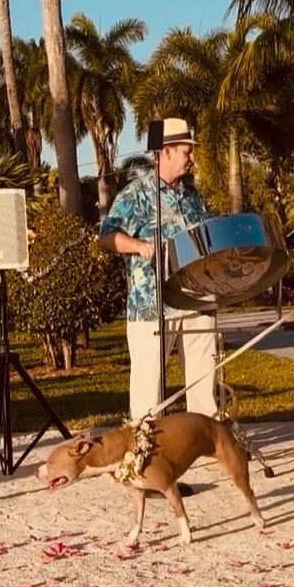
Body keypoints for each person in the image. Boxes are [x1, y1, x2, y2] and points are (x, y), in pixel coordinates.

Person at [99, 118, 218, 423]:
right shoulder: (136, 194)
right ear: (164, 152)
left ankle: (204, 439)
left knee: (204, 380)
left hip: (197, 298)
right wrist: (137, 246)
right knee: (149, 388)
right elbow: (107, 236)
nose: (191, 157)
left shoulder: (191, 196)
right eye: (185, 151)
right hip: (153, 306)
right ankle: (145, 443)